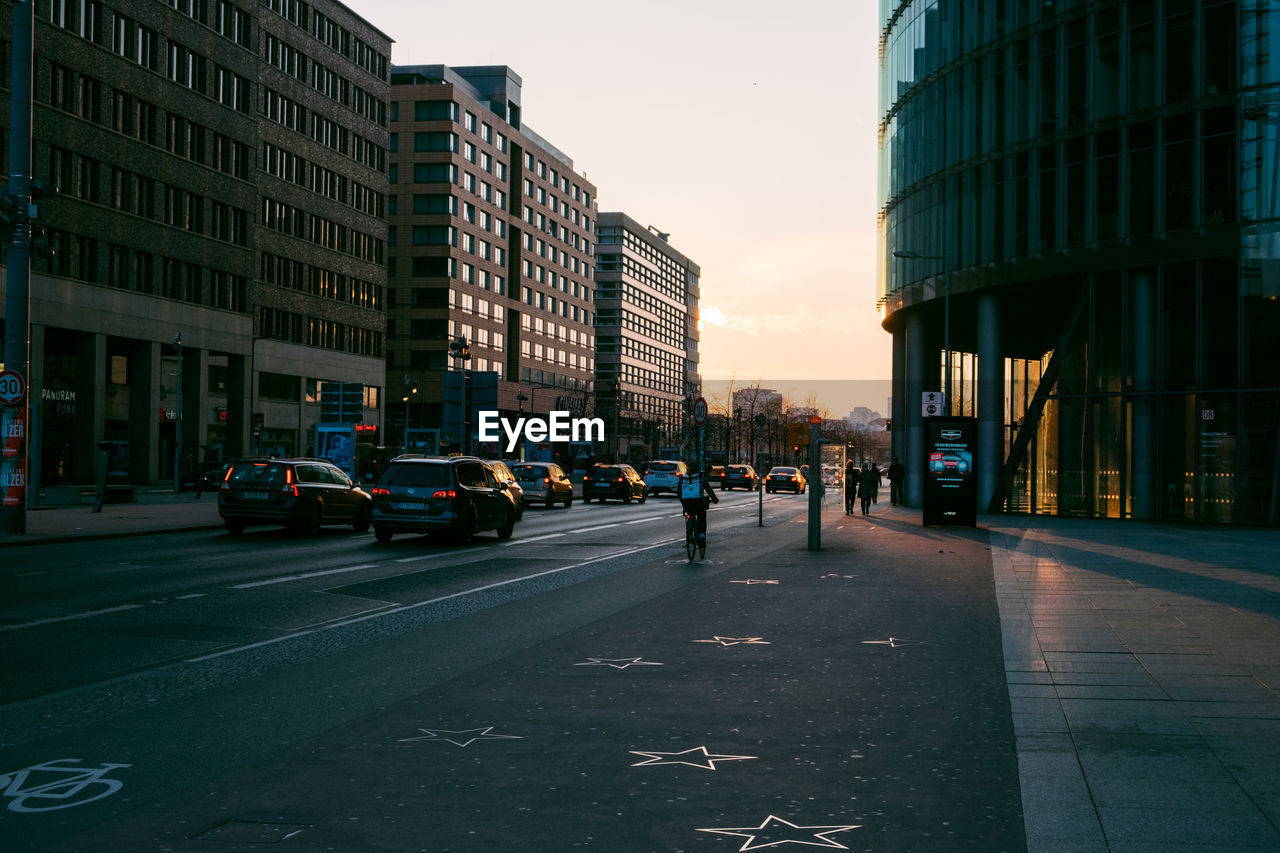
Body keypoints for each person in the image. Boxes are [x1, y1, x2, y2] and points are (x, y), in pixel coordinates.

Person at [679, 470, 720, 545]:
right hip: (699, 503)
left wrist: (683, 504)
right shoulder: (701, 477)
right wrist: (714, 499)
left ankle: (689, 534)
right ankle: (701, 535)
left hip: (687, 503)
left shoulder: (683, 478)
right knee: (701, 517)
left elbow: (679, 493)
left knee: (690, 515)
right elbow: (708, 489)